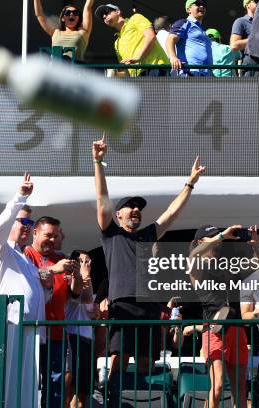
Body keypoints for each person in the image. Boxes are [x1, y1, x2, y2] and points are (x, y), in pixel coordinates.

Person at [92, 133, 205, 406]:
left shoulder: (148, 235)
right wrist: (98, 162)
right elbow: (102, 198)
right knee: (119, 356)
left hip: (149, 303)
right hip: (123, 305)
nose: (135, 211)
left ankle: (138, 400)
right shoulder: (111, 234)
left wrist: (190, 183)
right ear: (118, 215)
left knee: (146, 359)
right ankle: (111, 398)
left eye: (138, 208)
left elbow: (171, 214)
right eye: (129, 207)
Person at [0, 172, 49, 408]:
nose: (27, 227)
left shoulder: (25, 259)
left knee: (27, 394)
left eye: (30, 223)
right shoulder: (0, 250)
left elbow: (37, 296)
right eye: (23, 221)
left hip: (30, 334)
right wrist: (19, 197)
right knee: (3, 392)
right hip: (7, 329)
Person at [186, 225, 249, 408]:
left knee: (240, 388)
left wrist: (254, 246)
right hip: (214, 329)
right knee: (218, 385)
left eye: (218, 236)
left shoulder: (224, 265)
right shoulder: (196, 266)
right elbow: (194, 256)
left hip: (236, 327)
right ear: (200, 242)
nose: (219, 240)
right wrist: (222, 235)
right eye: (212, 237)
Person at [23, 217, 82, 408]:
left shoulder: (61, 257)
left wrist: (77, 276)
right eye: (48, 235)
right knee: (28, 383)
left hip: (56, 332)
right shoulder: (25, 255)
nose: (51, 239)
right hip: (31, 332)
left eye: (55, 236)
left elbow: (75, 295)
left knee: (56, 385)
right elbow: (30, 279)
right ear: (35, 233)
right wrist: (54, 269)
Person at [95, 3, 168, 76]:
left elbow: (151, 36)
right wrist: (115, 75)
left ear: (118, 12)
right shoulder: (117, 43)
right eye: (103, 18)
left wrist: (138, 58)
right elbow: (124, 68)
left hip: (155, 67)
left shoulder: (135, 18)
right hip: (137, 77)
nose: (104, 16)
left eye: (107, 12)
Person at [64, 250, 95, 408]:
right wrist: (84, 275)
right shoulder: (69, 280)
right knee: (67, 389)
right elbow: (84, 298)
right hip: (72, 337)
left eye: (89, 262)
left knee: (82, 392)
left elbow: (92, 310)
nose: (87, 265)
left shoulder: (88, 283)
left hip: (87, 340)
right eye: (83, 261)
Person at [167, 0, 213, 77]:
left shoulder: (202, 29)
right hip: (189, 73)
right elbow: (170, 39)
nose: (202, 6)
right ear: (188, 9)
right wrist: (173, 57)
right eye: (198, 4)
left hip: (205, 75)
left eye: (203, 5)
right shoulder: (184, 22)